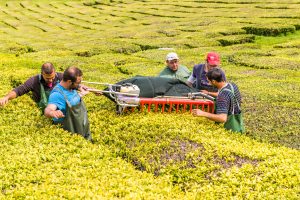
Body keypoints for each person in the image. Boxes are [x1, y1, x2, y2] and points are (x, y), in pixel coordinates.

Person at [44, 66, 92, 140]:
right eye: (78, 83)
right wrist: (52, 113)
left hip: (82, 127)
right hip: (71, 132)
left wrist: (86, 92)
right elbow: (47, 110)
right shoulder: (57, 94)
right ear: (69, 81)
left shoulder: (71, 87)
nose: (79, 85)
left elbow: (73, 99)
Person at [192, 68, 244, 133]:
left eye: (209, 81)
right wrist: (208, 93)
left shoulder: (222, 97)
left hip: (230, 128)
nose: (209, 83)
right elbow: (229, 96)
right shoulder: (232, 85)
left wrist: (203, 113)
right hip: (238, 123)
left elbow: (222, 118)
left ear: (213, 81)